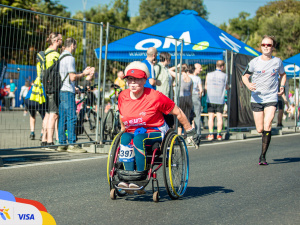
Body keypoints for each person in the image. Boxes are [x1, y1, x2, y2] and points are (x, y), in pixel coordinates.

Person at [117, 61, 196, 191]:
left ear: (144, 80)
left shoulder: (155, 96)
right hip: (133, 131)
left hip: (155, 130)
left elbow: (177, 111)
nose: (133, 83)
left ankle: (140, 178)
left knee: (139, 139)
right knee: (125, 138)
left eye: (137, 79)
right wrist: (122, 130)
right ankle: (127, 177)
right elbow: (122, 115)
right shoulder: (123, 96)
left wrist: (190, 130)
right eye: (130, 79)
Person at [242, 35, 286, 165]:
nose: (266, 47)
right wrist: (248, 84)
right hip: (256, 98)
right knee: (260, 129)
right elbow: (244, 76)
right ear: (261, 46)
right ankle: (263, 141)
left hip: (271, 97)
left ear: (273, 47)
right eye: (263, 45)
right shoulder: (254, 62)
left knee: (268, 125)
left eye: (269, 45)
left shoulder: (277, 61)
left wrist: (282, 86)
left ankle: (262, 156)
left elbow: (283, 75)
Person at [57, 37, 95, 153]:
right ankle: (72, 144)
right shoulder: (70, 58)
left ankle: (62, 143)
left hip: (61, 90)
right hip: (68, 91)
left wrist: (76, 87)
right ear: (73, 45)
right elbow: (72, 77)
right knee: (72, 117)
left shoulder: (61, 57)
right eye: (75, 46)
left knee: (62, 118)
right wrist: (85, 73)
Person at [39, 32, 63, 149]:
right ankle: (50, 141)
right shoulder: (54, 55)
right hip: (53, 87)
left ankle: (44, 139)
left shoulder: (44, 53)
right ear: (56, 41)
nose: (61, 41)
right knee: (53, 114)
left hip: (44, 87)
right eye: (60, 39)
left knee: (48, 114)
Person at [205, 60, 229, 141]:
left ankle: (211, 134)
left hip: (210, 98)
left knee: (210, 117)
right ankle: (219, 134)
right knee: (219, 117)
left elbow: (205, 86)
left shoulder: (209, 74)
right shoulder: (224, 75)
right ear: (222, 67)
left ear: (216, 65)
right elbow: (226, 87)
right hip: (220, 98)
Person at [169, 64, 194, 139]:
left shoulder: (178, 76)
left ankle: (179, 135)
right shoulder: (190, 78)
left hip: (181, 98)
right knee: (187, 117)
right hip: (189, 98)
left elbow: (169, 70)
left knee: (180, 115)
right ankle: (188, 136)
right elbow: (191, 91)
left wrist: (176, 66)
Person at [188, 63, 203, 146]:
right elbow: (201, 90)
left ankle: (189, 136)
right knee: (197, 116)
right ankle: (197, 135)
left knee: (188, 117)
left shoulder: (187, 77)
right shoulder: (197, 78)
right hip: (195, 96)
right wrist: (199, 97)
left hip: (187, 96)